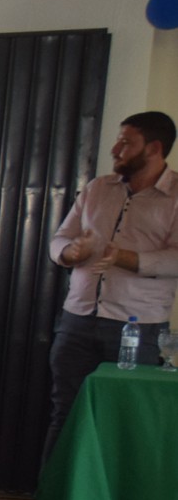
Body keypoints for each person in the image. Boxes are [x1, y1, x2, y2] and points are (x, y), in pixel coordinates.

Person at [44, 110, 176, 460]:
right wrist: (71, 253)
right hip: (77, 320)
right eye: (118, 140)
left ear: (154, 148)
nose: (116, 149)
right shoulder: (98, 188)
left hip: (137, 328)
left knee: (123, 420)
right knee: (65, 414)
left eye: (126, 142)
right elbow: (60, 238)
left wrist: (122, 257)